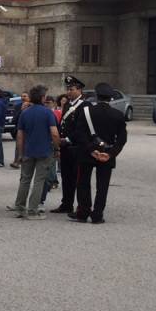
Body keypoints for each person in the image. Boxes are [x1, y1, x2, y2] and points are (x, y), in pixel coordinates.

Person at [74, 82, 128, 224]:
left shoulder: (86, 112)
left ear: (96, 97)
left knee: (83, 183)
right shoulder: (118, 115)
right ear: (111, 98)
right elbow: (122, 138)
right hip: (107, 152)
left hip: (87, 152)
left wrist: (91, 149)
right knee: (102, 186)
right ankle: (97, 214)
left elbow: (80, 133)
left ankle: (83, 212)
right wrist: (111, 154)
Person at [9, 85, 60, 220]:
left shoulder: (25, 113)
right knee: (39, 180)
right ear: (43, 98)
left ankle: (19, 207)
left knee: (25, 179)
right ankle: (32, 210)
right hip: (44, 151)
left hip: (28, 151)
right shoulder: (48, 112)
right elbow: (54, 134)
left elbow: (20, 136)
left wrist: (20, 153)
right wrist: (57, 148)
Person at [51, 75, 92, 217]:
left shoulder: (85, 105)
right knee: (66, 176)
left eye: (72, 89)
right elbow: (63, 124)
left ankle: (80, 206)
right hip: (65, 146)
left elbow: (82, 128)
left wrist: (68, 139)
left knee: (77, 178)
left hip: (76, 146)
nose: (69, 92)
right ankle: (66, 203)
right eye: (68, 89)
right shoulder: (68, 105)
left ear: (79, 90)